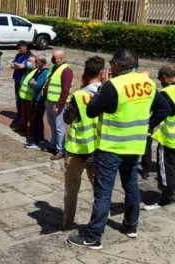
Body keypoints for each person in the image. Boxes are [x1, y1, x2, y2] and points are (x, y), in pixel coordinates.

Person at [67, 49, 170, 249]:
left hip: (111, 146)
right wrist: (148, 126)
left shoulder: (113, 85)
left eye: (112, 64)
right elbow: (163, 109)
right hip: (135, 145)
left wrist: (102, 88)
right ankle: (131, 226)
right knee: (131, 184)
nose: (110, 68)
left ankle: (93, 236)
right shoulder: (148, 84)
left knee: (103, 191)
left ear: (117, 65)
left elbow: (91, 110)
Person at [62, 56, 105, 230]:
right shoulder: (109, 92)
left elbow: (67, 117)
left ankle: (68, 223)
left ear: (85, 74)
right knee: (101, 190)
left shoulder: (79, 96)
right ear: (103, 73)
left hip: (77, 149)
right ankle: (102, 220)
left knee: (72, 189)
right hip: (99, 149)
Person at [144, 65, 175, 210]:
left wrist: (149, 125)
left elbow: (158, 111)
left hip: (169, 138)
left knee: (165, 169)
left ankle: (165, 198)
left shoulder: (166, 93)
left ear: (164, 77)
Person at [43, 49, 73, 160]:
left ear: (62, 58)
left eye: (55, 57)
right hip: (49, 100)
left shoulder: (66, 70)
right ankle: (53, 145)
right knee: (52, 124)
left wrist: (60, 105)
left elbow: (65, 90)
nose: (53, 59)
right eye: (53, 57)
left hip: (57, 103)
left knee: (59, 126)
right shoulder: (53, 67)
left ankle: (60, 150)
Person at [23, 54, 49, 149]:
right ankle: (36, 139)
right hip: (35, 98)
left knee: (37, 119)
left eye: (37, 61)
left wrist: (33, 83)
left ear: (42, 62)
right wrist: (33, 82)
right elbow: (30, 81)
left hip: (40, 99)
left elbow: (38, 86)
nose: (35, 63)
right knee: (35, 119)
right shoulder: (38, 70)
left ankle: (39, 141)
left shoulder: (45, 72)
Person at [10, 41, 32, 127]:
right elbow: (12, 65)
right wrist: (17, 65)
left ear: (25, 47)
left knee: (23, 100)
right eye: (17, 48)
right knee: (17, 99)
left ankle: (23, 118)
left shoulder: (29, 56)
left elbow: (22, 66)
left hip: (24, 81)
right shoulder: (18, 55)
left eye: (20, 48)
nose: (18, 50)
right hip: (17, 79)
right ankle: (19, 116)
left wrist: (16, 65)